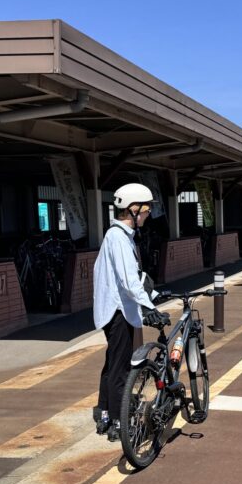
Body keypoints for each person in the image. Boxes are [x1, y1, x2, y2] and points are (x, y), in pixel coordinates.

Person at [93, 183, 171, 441]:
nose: (148, 213)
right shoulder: (118, 237)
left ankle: (104, 412)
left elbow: (132, 279)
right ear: (133, 209)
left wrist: (153, 297)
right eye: (146, 208)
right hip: (117, 312)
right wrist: (149, 308)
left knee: (112, 363)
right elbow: (128, 280)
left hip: (115, 309)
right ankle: (118, 420)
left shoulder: (120, 236)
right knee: (120, 368)